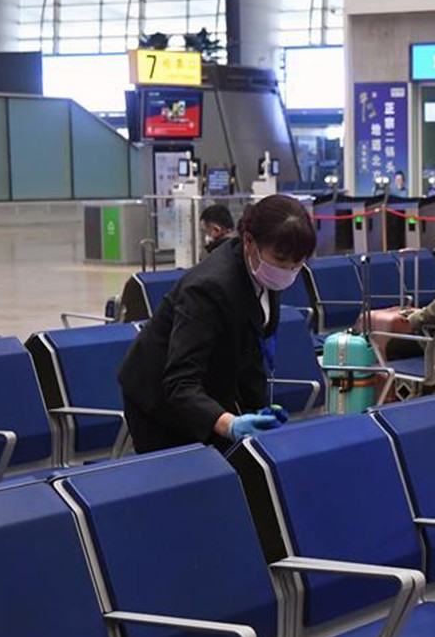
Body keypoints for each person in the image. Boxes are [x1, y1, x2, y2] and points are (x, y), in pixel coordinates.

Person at [117, 194, 318, 454]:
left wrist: (258, 412)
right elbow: (180, 382)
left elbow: (250, 350)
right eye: (282, 261)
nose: (290, 271)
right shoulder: (207, 289)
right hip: (160, 402)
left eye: (298, 263)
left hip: (211, 385)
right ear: (248, 241)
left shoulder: (263, 270)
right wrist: (230, 424)